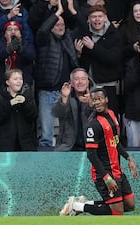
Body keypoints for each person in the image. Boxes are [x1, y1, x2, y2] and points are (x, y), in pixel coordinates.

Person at [60, 87, 138, 216]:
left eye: (100, 99)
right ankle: (77, 206)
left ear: (106, 99)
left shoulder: (112, 115)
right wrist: (107, 178)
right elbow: (91, 155)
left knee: (129, 205)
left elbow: (115, 141)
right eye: (94, 100)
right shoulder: (93, 125)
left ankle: (82, 205)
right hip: (104, 173)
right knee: (117, 212)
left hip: (117, 170)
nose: (97, 102)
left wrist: (128, 158)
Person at [35, 0, 79, 148]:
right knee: (46, 135)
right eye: (57, 25)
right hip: (47, 92)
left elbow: (81, 27)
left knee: (66, 133)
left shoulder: (68, 39)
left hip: (65, 93)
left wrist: (71, 9)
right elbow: (42, 30)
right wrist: (58, 13)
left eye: (62, 25)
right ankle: (46, 167)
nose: (60, 27)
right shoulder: (44, 40)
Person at [69, 2, 123, 116]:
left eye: (99, 16)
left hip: (108, 86)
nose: (97, 20)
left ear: (105, 18)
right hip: (89, 86)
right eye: (94, 17)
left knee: (109, 119)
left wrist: (93, 47)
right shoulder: (84, 34)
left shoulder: (114, 34)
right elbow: (81, 65)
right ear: (89, 19)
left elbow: (112, 59)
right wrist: (78, 53)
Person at [0, 68, 38, 151]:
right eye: (15, 79)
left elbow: (33, 115)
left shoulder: (27, 94)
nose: (19, 81)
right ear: (8, 82)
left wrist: (25, 103)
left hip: (26, 143)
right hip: (6, 144)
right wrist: (9, 104)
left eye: (21, 79)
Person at [0, 20, 36, 94]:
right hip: (2, 85)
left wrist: (21, 50)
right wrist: (7, 51)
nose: (13, 32)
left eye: (16, 29)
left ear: (20, 34)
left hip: (23, 85)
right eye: (9, 29)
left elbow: (31, 57)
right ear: (5, 34)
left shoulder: (26, 44)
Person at [52, 68, 94, 151]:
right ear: (71, 83)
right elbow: (58, 113)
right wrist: (64, 98)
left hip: (91, 146)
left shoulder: (96, 97)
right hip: (67, 146)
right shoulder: (65, 96)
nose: (80, 82)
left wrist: (90, 103)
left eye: (83, 79)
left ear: (88, 82)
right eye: (76, 79)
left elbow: (101, 118)